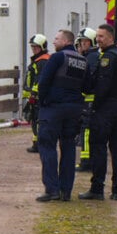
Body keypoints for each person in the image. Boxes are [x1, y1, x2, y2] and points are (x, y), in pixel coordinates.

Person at [35, 29, 87, 202]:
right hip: (74, 109)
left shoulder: (57, 57)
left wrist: (42, 102)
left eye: (56, 39)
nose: (53, 41)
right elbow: (86, 86)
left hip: (54, 107)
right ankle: (66, 191)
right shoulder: (82, 60)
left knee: (47, 145)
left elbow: (44, 81)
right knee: (69, 148)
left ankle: (52, 189)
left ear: (66, 41)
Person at [79, 23, 117, 201]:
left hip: (105, 109)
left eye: (101, 36)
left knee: (98, 148)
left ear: (110, 38)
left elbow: (103, 86)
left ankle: (97, 188)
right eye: (97, 36)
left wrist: (95, 106)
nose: (97, 40)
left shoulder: (108, 57)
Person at [75, 27, 98, 172]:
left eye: (84, 42)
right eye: (81, 42)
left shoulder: (91, 57)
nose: (82, 45)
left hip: (91, 101)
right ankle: (87, 160)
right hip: (91, 100)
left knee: (87, 130)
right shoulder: (92, 56)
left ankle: (86, 161)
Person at [23, 34, 49, 153]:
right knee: (34, 120)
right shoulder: (38, 60)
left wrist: (33, 94)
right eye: (32, 47)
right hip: (33, 96)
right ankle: (36, 143)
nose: (34, 49)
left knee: (37, 120)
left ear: (42, 47)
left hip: (37, 97)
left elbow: (40, 79)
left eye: (36, 47)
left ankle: (39, 144)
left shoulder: (42, 61)